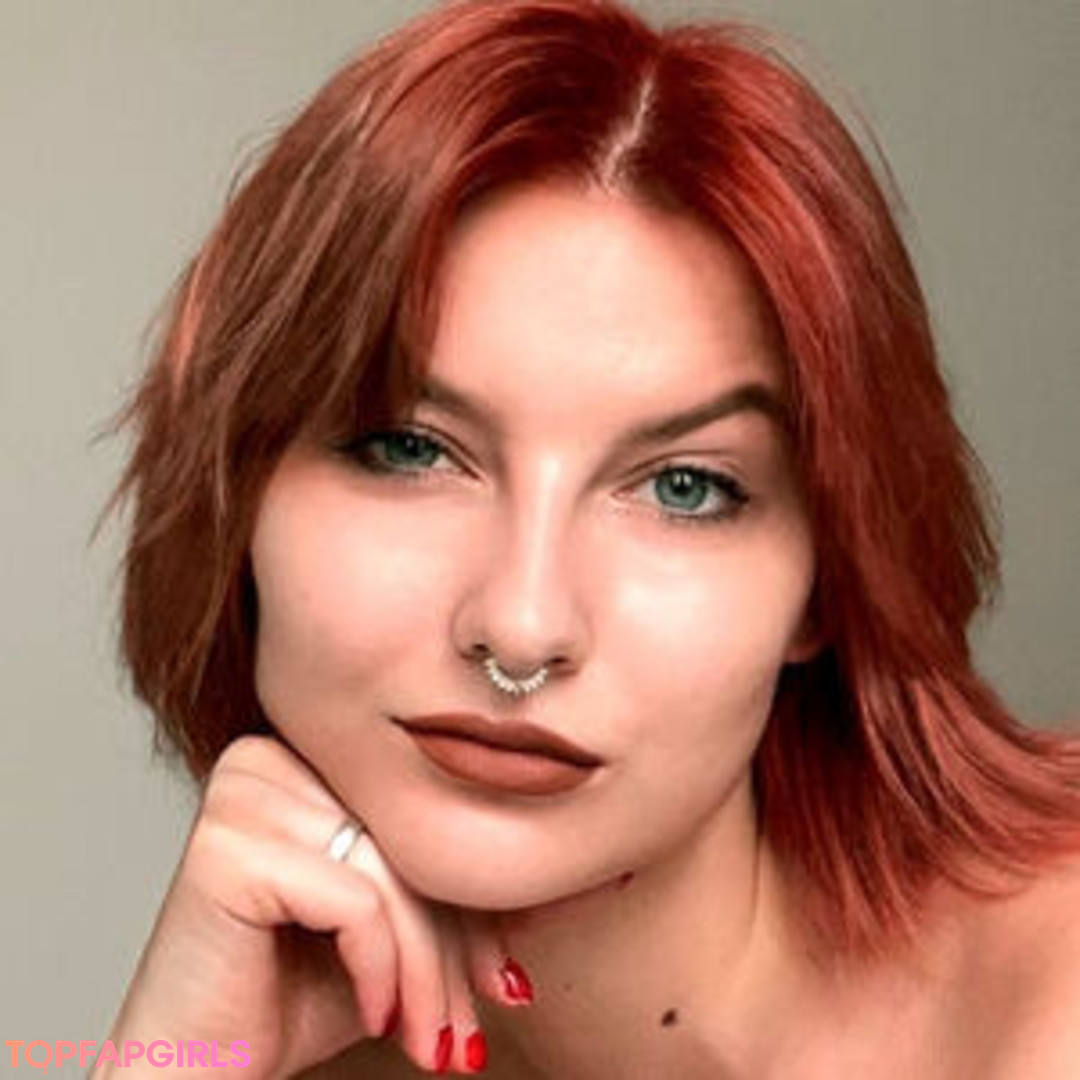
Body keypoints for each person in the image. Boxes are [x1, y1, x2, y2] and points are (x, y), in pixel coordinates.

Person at [93, 0, 1080, 1076]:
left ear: (827, 581)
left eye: (687, 489)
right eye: (410, 450)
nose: (522, 631)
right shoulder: (273, 1045)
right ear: (239, 497)